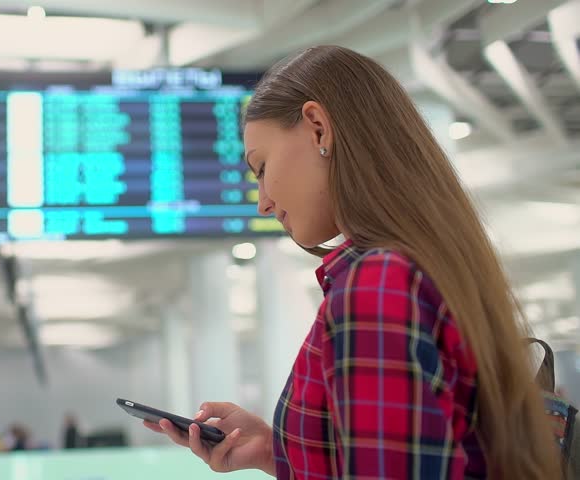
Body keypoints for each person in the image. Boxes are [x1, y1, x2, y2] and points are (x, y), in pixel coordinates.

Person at [146, 45, 561, 479]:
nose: (263, 203)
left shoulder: (376, 282)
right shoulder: (424, 265)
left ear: (318, 129)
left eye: (262, 167)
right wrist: (275, 450)